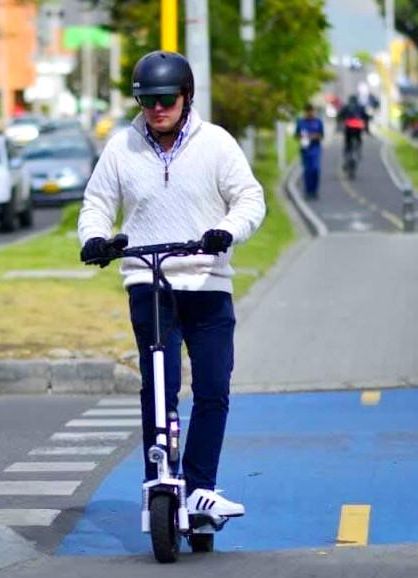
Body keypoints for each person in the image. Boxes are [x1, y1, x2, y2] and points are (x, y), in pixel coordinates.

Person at [77, 50, 266, 519]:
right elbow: (97, 203)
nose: (158, 109)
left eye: (167, 99)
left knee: (213, 387)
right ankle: (158, 476)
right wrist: (95, 238)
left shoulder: (217, 144)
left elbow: (249, 198)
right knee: (157, 387)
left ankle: (202, 486)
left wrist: (227, 231)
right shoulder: (122, 148)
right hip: (149, 281)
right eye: (148, 101)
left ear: (187, 96)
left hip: (207, 283)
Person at [295, 103, 324, 198]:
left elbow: (321, 135)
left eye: (311, 111)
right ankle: (308, 191)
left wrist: (312, 137)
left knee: (315, 169)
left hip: (315, 148)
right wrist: (302, 138)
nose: (310, 113)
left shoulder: (318, 122)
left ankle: (314, 190)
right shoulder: (301, 122)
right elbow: (297, 135)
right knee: (307, 171)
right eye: (308, 112)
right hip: (305, 150)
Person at [338, 95, 367, 164]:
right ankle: (358, 150)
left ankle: (347, 152)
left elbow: (340, 116)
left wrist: (340, 125)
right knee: (359, 139)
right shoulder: (360, 107)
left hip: (348, 126)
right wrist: (366, 128)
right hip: (358, 126)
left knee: (347, 141)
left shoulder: (346, 106)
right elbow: (365, 117)